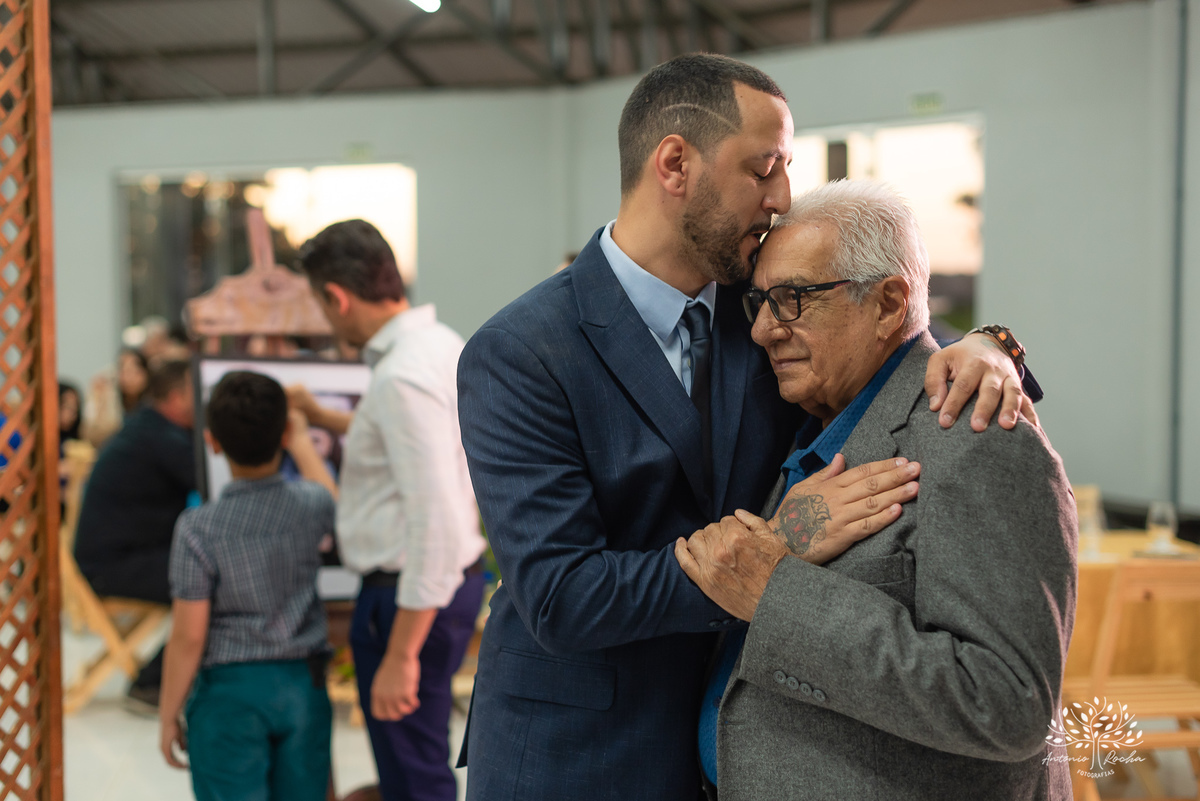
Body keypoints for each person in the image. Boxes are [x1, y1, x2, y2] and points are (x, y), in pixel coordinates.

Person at [456, 54, 1036, 801]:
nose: (782, 198)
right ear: (675, 164)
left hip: (744, 741)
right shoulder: (520, 351)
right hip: (577, 748)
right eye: (764, 169)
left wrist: (989, 343)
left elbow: (892, 328)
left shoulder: (760, 312)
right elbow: (560, 594)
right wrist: (774, 550)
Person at [675, 180, 1076, 800]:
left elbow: (1009, 703)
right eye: (760, 302)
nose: (761, 332)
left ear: (889, 303)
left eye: (792, 299)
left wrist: (777, 594)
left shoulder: (973, 435)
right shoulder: (814, 416)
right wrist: (993, 339)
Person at [291, 219, 486, 801]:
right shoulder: (436, 344)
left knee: (412, 772)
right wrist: (328, 420)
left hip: (410, 593)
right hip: (439, 585)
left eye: (321, 307)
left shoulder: (400, 375)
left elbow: (436, 515)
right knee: (414, 759)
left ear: (337, 297)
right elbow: (420, 449)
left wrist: (401, 652)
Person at [158, 370, 335, 801]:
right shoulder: (312, 505)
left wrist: (167, 714)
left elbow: (189, 635)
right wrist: (299, 441)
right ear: (283, 435)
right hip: (302, 687)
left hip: (229, 694)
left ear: (212, 441)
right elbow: (330, 494)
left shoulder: (198, 528)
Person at [74, 359, 196, 707]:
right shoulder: (161, 438)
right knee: (213, 580)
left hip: (111, 558)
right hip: (114, 566)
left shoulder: (149, 428)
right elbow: (210, 484)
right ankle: (151, 683)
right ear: (176, 398)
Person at [82, 347, 150, 448]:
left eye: (133, 370)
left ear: (145, 374)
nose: (127, 377)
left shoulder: (154, 403)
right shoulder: (109, 398)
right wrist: (98, 399)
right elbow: (90, 436)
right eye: (122, 370)